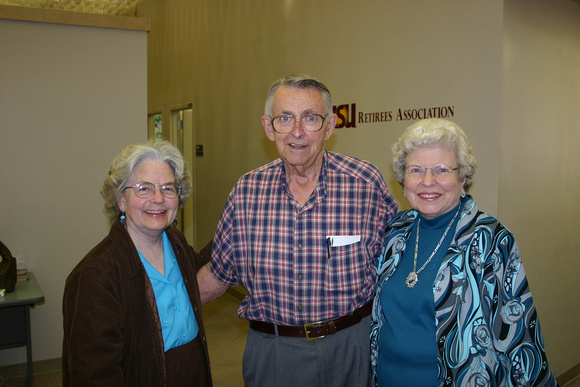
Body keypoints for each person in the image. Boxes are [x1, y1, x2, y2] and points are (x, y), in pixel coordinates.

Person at [197, 74, 398, 386]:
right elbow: (218, 274)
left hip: (349, 348)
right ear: (268, 127)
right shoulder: (247, 192)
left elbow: (397, 263)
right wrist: (154, 310)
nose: (297, 132)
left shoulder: (365, 184)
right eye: (285, 118)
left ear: (330, 126)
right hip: (273, 353)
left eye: (311, 118)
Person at [370, 118, 557, 386]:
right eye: (416, 170)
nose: (427, 181)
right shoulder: (396, 232)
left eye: (442, 170)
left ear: (463, 177)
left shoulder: (491, 240)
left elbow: (519, 335)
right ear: (402, 178)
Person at [62, 139, 213, 386]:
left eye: (168, 188)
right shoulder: (96, 275)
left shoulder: (175, 242)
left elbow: (198, 270)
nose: (158, 198)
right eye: (144, 188)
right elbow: (95, 373)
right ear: (120, 199)